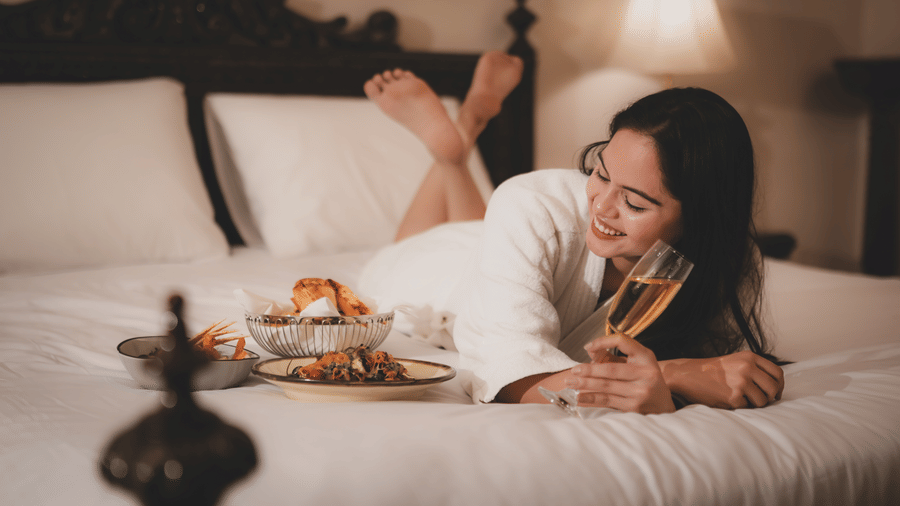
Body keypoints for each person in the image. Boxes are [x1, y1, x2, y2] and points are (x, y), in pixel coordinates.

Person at [361, 51, 785, 414]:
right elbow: (513, 379)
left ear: (702, 220)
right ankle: (459, 143)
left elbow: (712, 366)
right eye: (600, 174)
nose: (600, 207)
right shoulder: (535, 203)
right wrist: (671, 373)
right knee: (416, 245)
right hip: (441, 274)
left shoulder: (722, 263)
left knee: (486, 227)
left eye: (635, 203)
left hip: (510, 244)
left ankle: (461, 142)